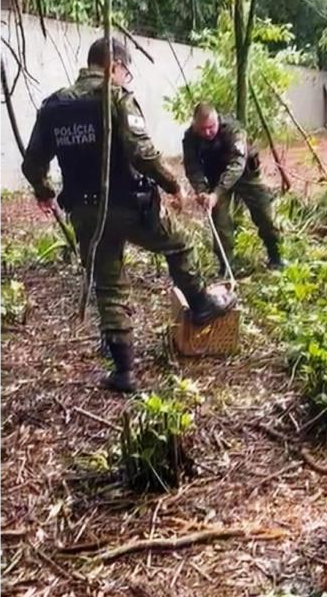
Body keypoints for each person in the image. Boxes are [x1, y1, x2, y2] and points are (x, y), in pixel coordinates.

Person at [21, 36, 235, 392]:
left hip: (86, 212)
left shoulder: (53, 107)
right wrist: (172, 185)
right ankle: (199, 304)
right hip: (132, 205)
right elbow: (142, 154)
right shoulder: (116, 99)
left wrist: (44, 192)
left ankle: (124, 371)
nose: (124, 78)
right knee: (179, 245)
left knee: (108, 284)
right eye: (125, 72)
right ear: (115, 66)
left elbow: (32, 164)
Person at [182, 103, 285, 273]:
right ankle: (227, 266)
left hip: (245, 174)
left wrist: (217, 193)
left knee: (264, 215)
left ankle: (276, 257)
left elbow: (237, 164)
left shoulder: (233, 130)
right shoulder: (190, 137)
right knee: (220, 221)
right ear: (195, 125)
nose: (207, 133)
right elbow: (192, 167)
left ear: (217, 120)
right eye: (202, 129)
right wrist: (202, 191)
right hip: (215, 177)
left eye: (211, 127)